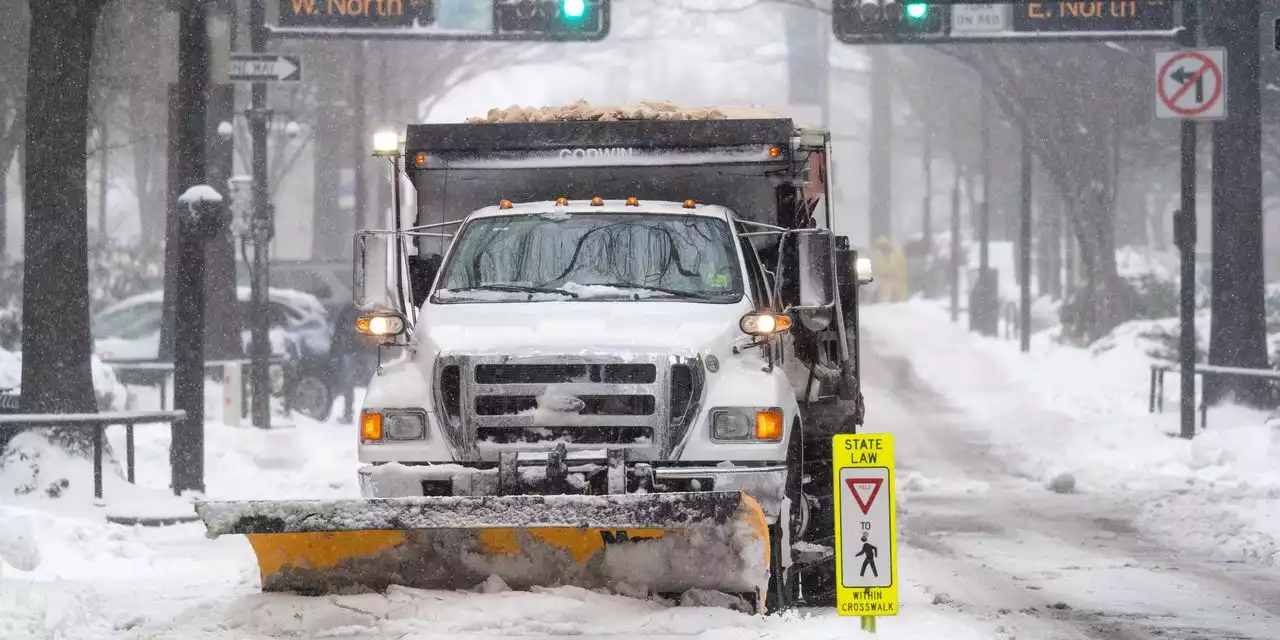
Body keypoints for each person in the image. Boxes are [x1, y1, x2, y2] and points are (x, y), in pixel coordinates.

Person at [332, 302, 377, 423]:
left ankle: (349, 414)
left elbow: (338, 330)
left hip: (353, 349)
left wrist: (336, 348)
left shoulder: (348, 309)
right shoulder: (371, 309)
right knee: (372, 383)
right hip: (365, 350)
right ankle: (373, 413)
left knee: (350, 383)